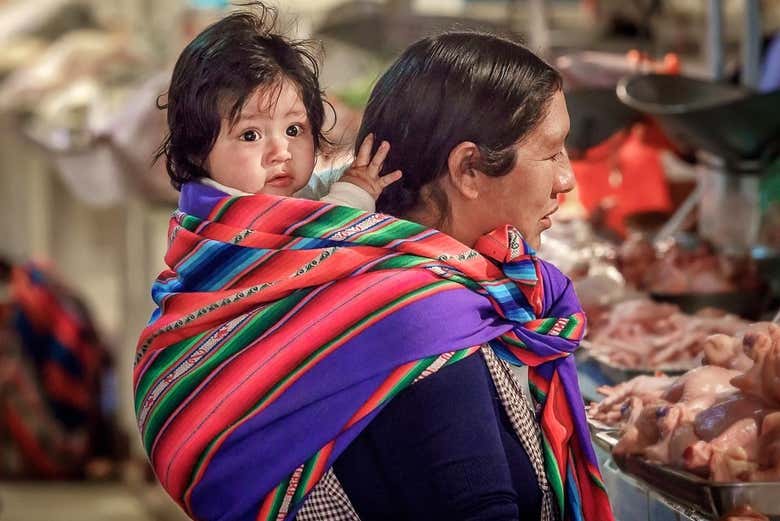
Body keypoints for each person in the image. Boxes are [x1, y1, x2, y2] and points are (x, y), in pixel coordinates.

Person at [134, 31, 614, 521]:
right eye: (553, 152)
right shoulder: (419, 318)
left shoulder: (418, 286)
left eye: (295, 130)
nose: (567, 179)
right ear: (468, 169)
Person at [155, 3, 401, 210]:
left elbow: (313, 188)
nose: (281, 152)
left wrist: (354, 175)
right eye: (250, 135)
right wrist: (355, 195)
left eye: (293, 130)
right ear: (196, 150)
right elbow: (314, 242)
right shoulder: (228, 217)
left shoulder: (260, 189)